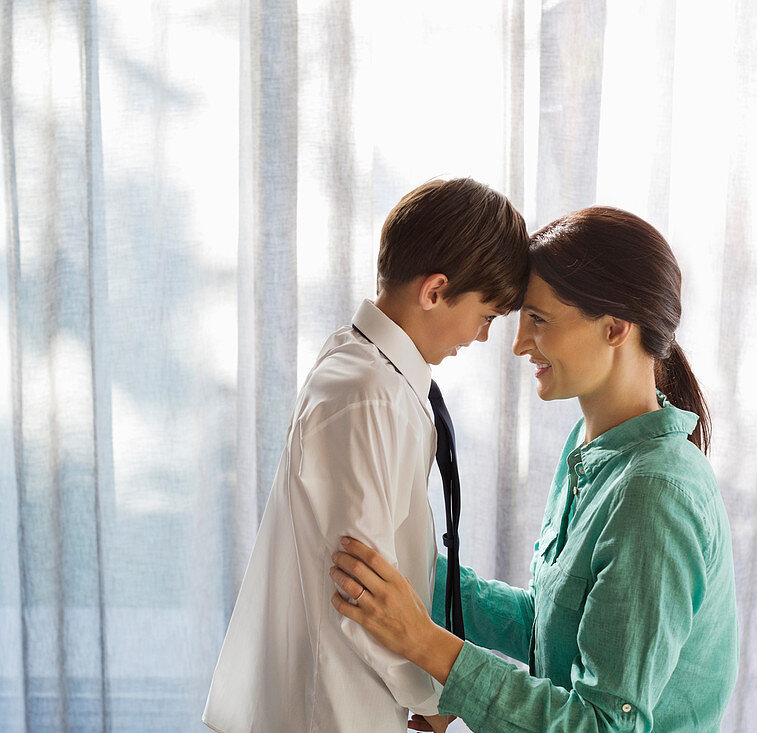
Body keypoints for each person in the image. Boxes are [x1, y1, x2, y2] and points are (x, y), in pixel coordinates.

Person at [330, 206, 739, 732]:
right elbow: (551, 629)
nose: (520, 343)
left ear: (615, 328)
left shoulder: (654, 493)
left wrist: (430, 647)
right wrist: (414, 578)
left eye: (539, 320)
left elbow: (600, 725)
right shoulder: (593, 448)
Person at [202, 178, 530, 733]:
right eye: (487, 315)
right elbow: (360, 586)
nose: (480, 336)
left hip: (347, 697)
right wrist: (433, 693)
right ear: (434, 291)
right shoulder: (368, 393)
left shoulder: (371, 371)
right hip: (332, 705)